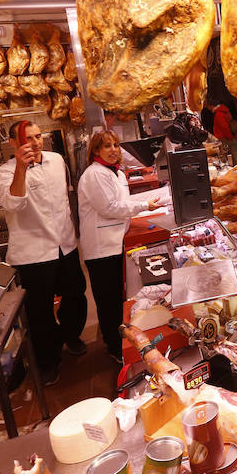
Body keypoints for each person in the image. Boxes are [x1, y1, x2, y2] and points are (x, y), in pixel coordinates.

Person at [0, 121, 88, 386]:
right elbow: (13, 203)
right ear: (12, 143)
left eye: (38, 136)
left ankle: (71, 335)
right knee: (40, 312)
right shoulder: (4, 173)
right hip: (33, 253)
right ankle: (49, 362)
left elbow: (65, 198)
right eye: (27, 139)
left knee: (75, 294)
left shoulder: (57, 160)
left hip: (65, 244)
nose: (35, 143)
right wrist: (22, 168)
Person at [77, 130, 161, 363]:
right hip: (101, 247)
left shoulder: (115, 172)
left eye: (115, 145)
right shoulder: (94, 174)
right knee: (108, 301)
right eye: (107, 146)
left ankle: (122, 341)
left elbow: (123, 202)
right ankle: (114, 347)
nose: (113, 149)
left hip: (115, 241)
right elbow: (110, 208)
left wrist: (149, 202)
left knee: (117, 297)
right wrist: (145, 205)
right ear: (96, 151)